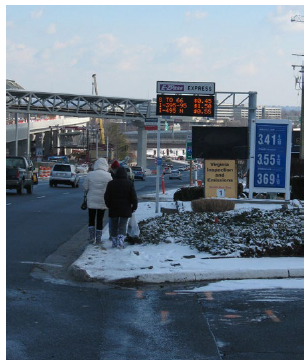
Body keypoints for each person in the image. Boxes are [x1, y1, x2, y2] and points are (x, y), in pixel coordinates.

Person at [104, 166, 138, 249]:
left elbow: (106, 196)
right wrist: (134, 206)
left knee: (114, 226)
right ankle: (120, 241)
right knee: (122, 225)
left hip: (113, 208)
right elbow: (133, 197)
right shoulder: (129, 183)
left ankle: (114, 241)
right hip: (125, 208)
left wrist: (108, 205)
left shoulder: (111, 183)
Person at [83, 158, 112, 245]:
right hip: (102, 200)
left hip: (91, 200)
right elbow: (110, 188)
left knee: (91, 219)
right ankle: (98, 239)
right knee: (100, 219)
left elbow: (85, 187)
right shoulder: (108, 176)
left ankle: (91, 237)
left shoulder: (90, 174)